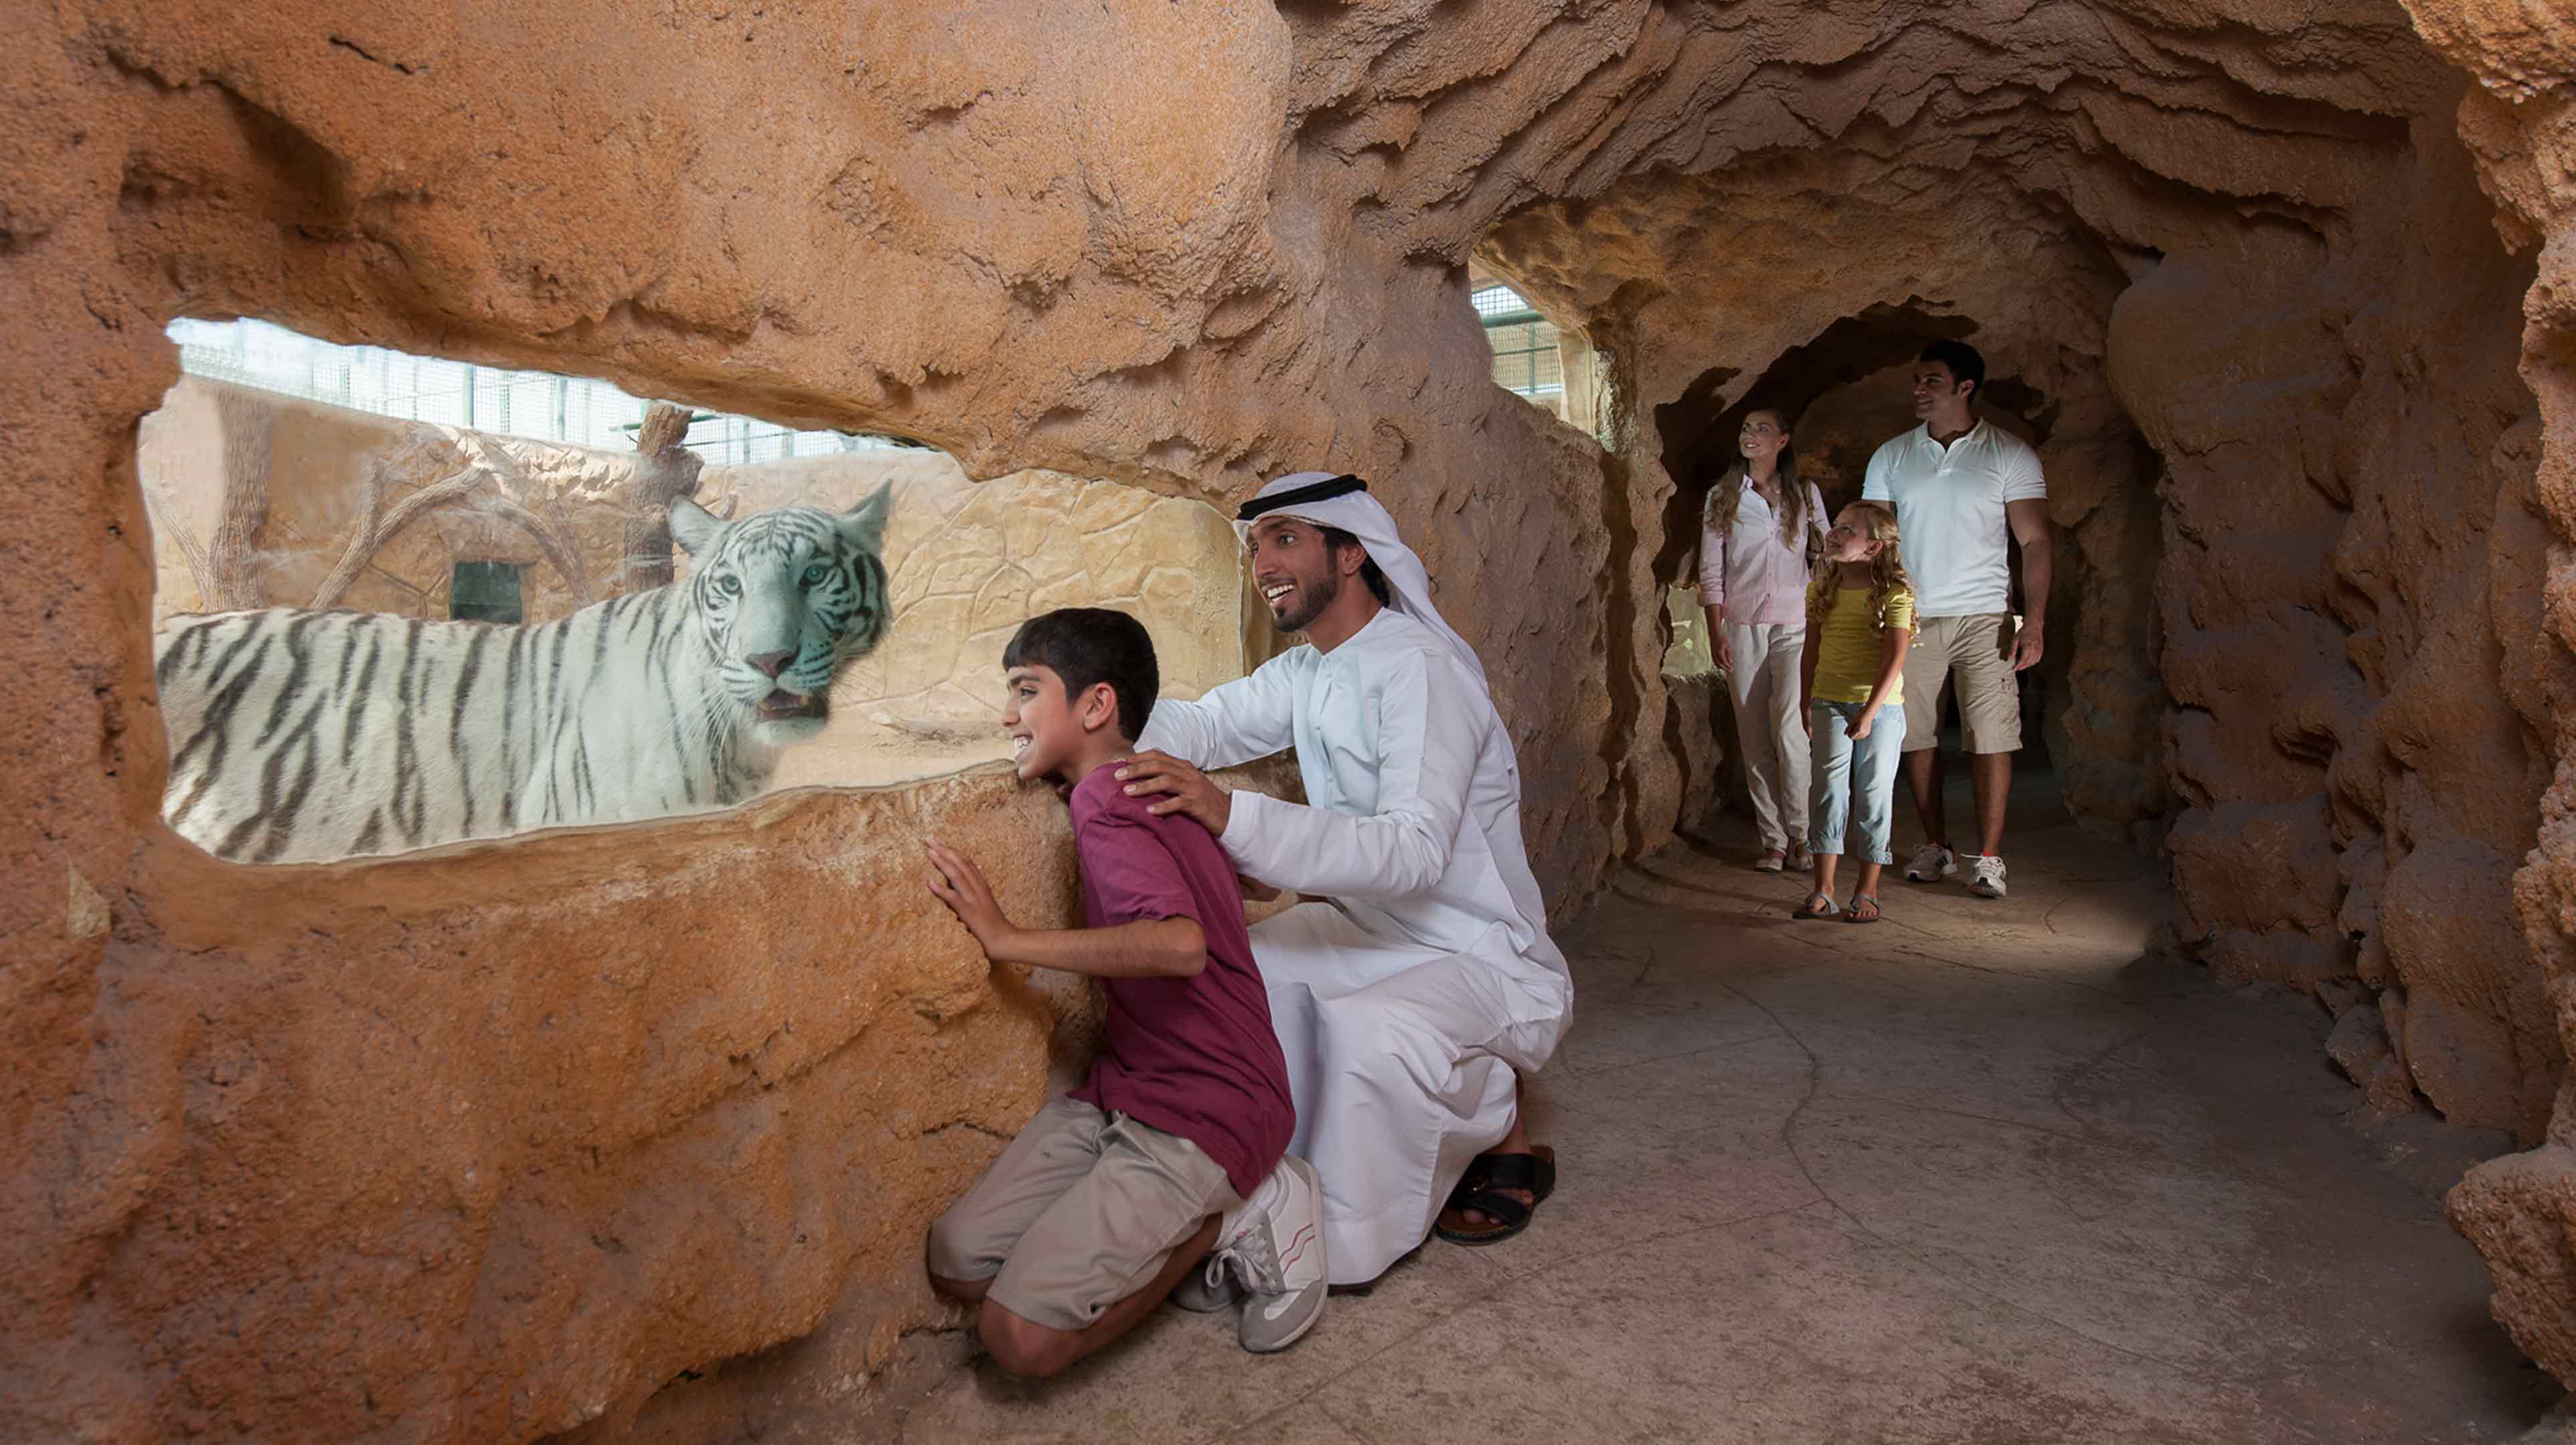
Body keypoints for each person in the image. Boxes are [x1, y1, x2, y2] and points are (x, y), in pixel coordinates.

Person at [1114, 471, 1573, 1286]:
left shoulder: (1420, 670)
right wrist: (1094, 705)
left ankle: (1375, 1213)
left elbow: (1414, 855)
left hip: (1473, 952)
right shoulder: (1306, 673)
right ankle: (1252, 1188)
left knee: (1370, 1036)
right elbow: (1205, 724)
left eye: (1285, 539)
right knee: (1236, 978)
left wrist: (1233, 818)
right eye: (1256, 546)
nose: (1262, 564)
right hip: (1372, 930)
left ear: (1353, 552)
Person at [920, 608, 1326, 1373]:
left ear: (1096, 706)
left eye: (1027, 690)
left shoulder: (1105, 801)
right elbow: (1262, 882)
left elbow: (1179, 944)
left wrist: (1007, 940)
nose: (1008, 714)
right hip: (1130, 1088)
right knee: (958, 1261)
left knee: (1019, 1342)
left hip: (1210, 1106)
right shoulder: (1157, 783)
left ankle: (1238, 1211)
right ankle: (1194, 1206)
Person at [1861, 339, 2052, 900]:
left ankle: (1989, 859)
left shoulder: (2009, 454)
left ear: (1965, 387)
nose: (1919, 390)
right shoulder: (1892, 455)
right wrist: (1879, 611)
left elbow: (2036, 541)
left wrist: (2033, 622)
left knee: (1992, 737)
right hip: (1913, 616)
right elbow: (1875, 541)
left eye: (1932, 381)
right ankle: (1935, 844)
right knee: (1916, 736)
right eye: (1917, 380)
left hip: (1984, 615)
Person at [1696, 407, 1831, 874]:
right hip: (1742, 625)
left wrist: (1823, 623)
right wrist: (1716, 633)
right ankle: (1772, 841)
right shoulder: (1724, 497)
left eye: (1761, 429)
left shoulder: (1806, 495)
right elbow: (1711, 571)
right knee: (1754, 735)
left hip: (1794, 625)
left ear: (1783, 440)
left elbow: (1826, 559)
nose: (1750, 436)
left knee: (1791, 731)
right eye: (1746, 429)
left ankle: (1802, 837)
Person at [1793, 502, 1916, 923]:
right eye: (1837, 527)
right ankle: (1823, 890)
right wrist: (1806, 698)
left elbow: (1895, 657)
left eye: (1848, 531)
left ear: (1873, 548)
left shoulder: (1894, 595)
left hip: (1880, 710)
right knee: (1827, 791)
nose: (1835, 534)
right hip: (1828, 700)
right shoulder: (1820, 591)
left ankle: (1867, 889)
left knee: (1873, 795)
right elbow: (1810, 649)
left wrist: (1869, 711)